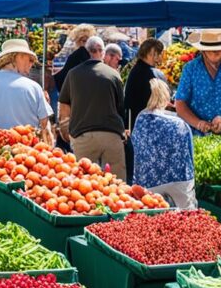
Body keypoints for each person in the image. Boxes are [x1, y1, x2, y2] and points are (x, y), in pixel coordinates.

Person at [58, 36, 127, 180]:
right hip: (111, 134)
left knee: (82, 185)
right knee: (117, 185)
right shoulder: (113, 74)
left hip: (83, 135)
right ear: (102, 53)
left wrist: (65, 129)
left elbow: (64, 104)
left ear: (86, 51)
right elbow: (121, 107)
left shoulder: (73, 74)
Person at [131, 79, 197, 209]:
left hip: (148, 180)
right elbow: (190, 156)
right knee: (189, 218)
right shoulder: (179, 124)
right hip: (180, 179)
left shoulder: (140, 120)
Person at [0, 39, 54, 145]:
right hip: (27, 150)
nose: (31, 65)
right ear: (18, 56)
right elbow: (44, 123)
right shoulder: (33, 87)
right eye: (30, 60)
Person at [175, 29, 221, 137]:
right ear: (203, 50)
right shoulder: (191, 68)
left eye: (219, 48)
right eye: (212, 49)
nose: (216, 51)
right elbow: (180, 104)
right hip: (198, 136)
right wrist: (198, 123)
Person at [124, 38, 166, 130]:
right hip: (151, 123)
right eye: (159, 53)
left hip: (135, 122)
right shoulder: (154, 74)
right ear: (152, 54)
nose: (161, 56)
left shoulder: (134, 71)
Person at [54, 24, 97, 92]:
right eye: (83, 40)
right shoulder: (78, 55)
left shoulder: (85, 55)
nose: (85, 44)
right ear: (77, 40)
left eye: (87, 41)